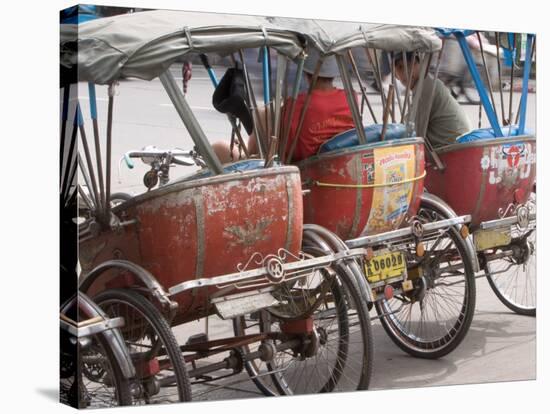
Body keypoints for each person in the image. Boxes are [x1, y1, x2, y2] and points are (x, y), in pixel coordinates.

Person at [212, 49, 355, 163]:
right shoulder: (351, 97)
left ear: (305, 73)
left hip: (299, 166)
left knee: (219, 148)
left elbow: (279, 150)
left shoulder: (296, 105)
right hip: (337, 159)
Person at [394, 52, 471, 148]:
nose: (406, 72)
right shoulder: (424, 84)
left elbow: (415, 133)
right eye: (400, 67)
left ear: (420, 65)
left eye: (410, 65)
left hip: (449, 146)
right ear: (395, 75)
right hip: (452, 141)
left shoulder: (425, 88)